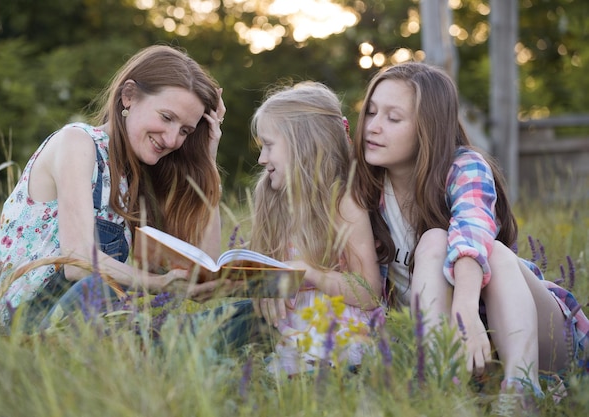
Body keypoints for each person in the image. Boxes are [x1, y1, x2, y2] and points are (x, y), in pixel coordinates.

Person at [350, 61, 589, 404]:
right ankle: (441, 387)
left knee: (482, 248)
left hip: (531, 334)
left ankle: (521, 392)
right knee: (434, 240)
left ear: (428, 128)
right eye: (370, 112)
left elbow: (473, 232)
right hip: (459, 351)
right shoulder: (365, 188)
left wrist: (464, 308)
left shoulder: (464, 167)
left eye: (393, 118)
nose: (372, 127)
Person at [0, 45, 228, 331]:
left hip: (99, 323)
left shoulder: (141, 176)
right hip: (28, 323)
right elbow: (77, 261)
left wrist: (208, 162)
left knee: (243, 316)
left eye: (185, 131)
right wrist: (158, 283)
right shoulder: (77, 142)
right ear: (129, 96)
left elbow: (204, 272)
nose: (172, 139)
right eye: (166, 117)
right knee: (97, 287)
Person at [248, 82, 384, 375]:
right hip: (289, 328)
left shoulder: (343, 204)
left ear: (303, 145)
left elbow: (369, 292)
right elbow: (267, 273)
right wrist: (261, 287)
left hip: (339, 328)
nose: (262, 159)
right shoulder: (273, 201)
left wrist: (308, 271)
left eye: (269, 146)